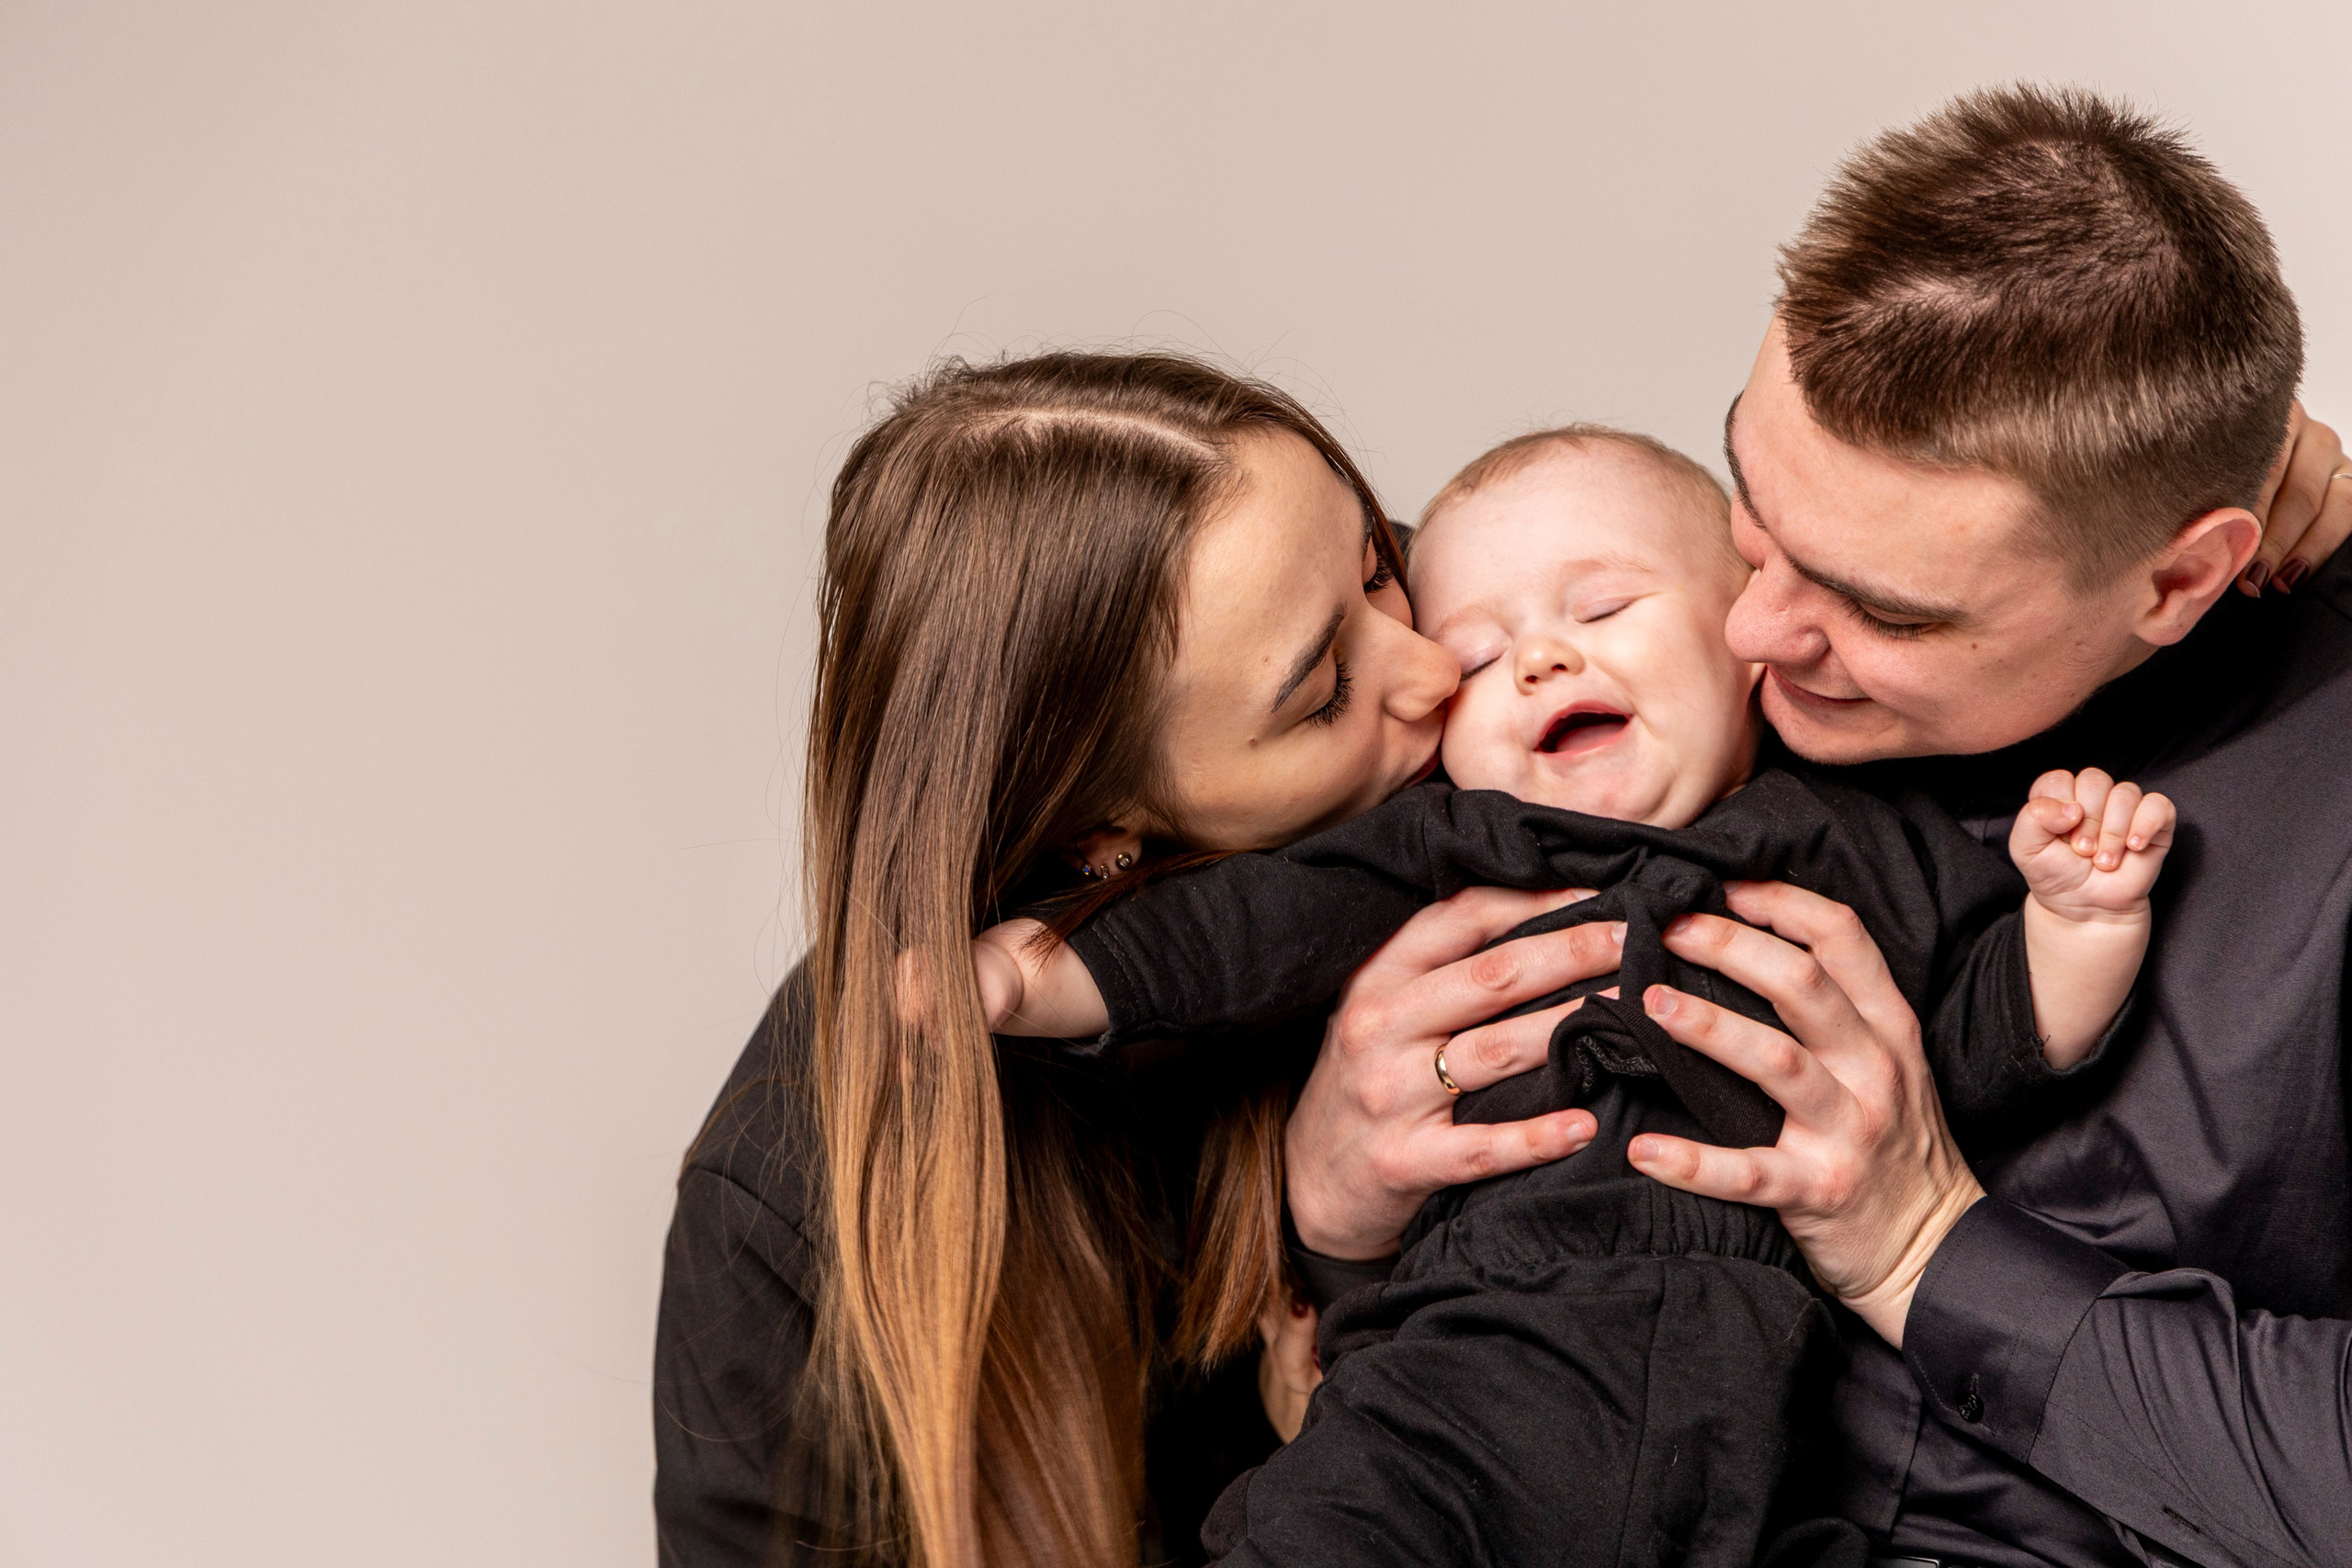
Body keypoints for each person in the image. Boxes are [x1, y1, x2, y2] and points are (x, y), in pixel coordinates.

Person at [965, 425, 2177, 1565]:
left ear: (1748, 639)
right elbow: (1251, 926)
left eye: (1604, 607)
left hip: (1763, 1424)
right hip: (1461, 1373)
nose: (1542, 656)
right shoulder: (1447, 851)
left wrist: (2077, 921)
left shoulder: (1855, 849)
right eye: (1482, 658)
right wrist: (1043, 976)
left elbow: (1976, 1046)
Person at [652, 349, 1624, 1568]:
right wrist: (1323, 1262)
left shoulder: (1520, 667)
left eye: (1378, 564)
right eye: (1324, 696)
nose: (1434, 668)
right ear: (1099, 832)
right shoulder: (793, 1204)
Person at [1584, 86, 2352, 1566]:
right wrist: (1322, 1200)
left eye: (1882, 610)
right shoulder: (1641, 618)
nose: (1751, 626)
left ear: (2181, 582)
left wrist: (1923, 1250)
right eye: (1752, 500)